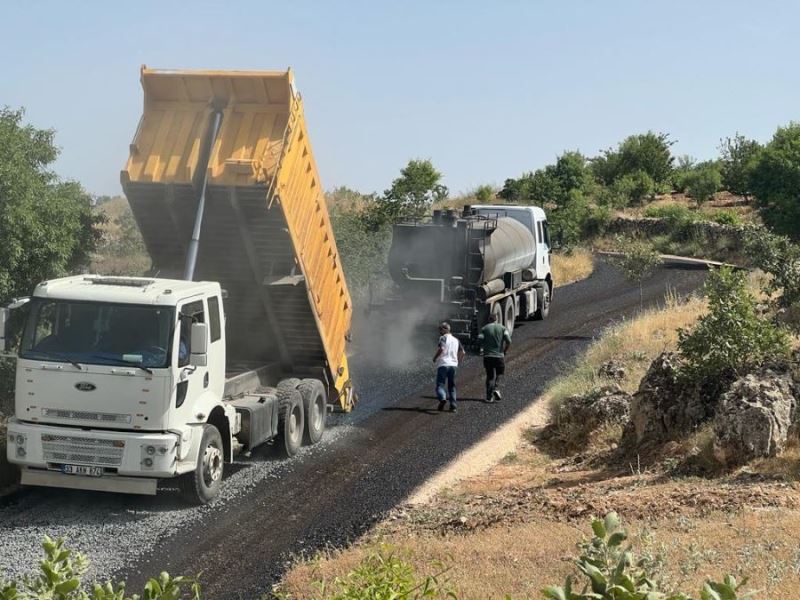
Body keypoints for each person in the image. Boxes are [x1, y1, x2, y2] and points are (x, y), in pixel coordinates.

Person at [478, 312, 511, 403]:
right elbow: (508, 341)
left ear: (489, 319)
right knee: (500, 374)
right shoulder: (503, 328)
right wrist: (505, 351)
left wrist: (482, 348)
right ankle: (496, 388)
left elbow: (480, 339)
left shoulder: (484, 328)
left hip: (488, 356)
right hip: (499, 356)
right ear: (497, 319)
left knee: (490, 376)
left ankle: (489, 397)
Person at [431, 322, 464, 412]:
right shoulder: (456, 340)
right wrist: (458, 361)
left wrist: (435, 358)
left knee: (440, 385)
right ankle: (453, 406)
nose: (439, 332)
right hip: (453, 365)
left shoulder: (443, 338)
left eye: (440, 329)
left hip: (443, 364)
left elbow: (441, 348)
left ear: (444, 329)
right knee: (452, 386)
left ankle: (442, 398)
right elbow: (463, 352)